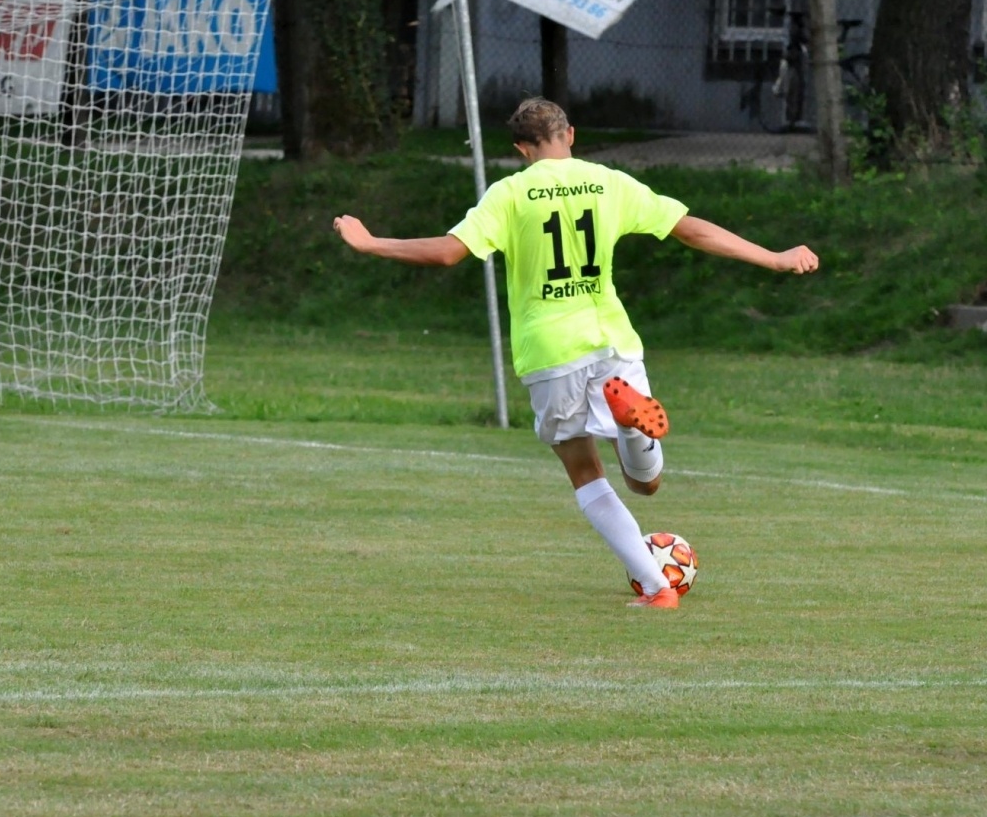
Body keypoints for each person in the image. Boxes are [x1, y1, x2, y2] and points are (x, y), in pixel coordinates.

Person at [332, 98, 818, 608]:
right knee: (645, 485)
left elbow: (448, 252)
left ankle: (657, 588)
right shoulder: (609, 182)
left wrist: (370, 243)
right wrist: (773, 257)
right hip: (614, 341)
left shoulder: (511, 193)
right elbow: (689, 228)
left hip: (552, 349)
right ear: (571, 135)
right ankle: (630, 428)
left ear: (522, 148)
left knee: (586, 472)